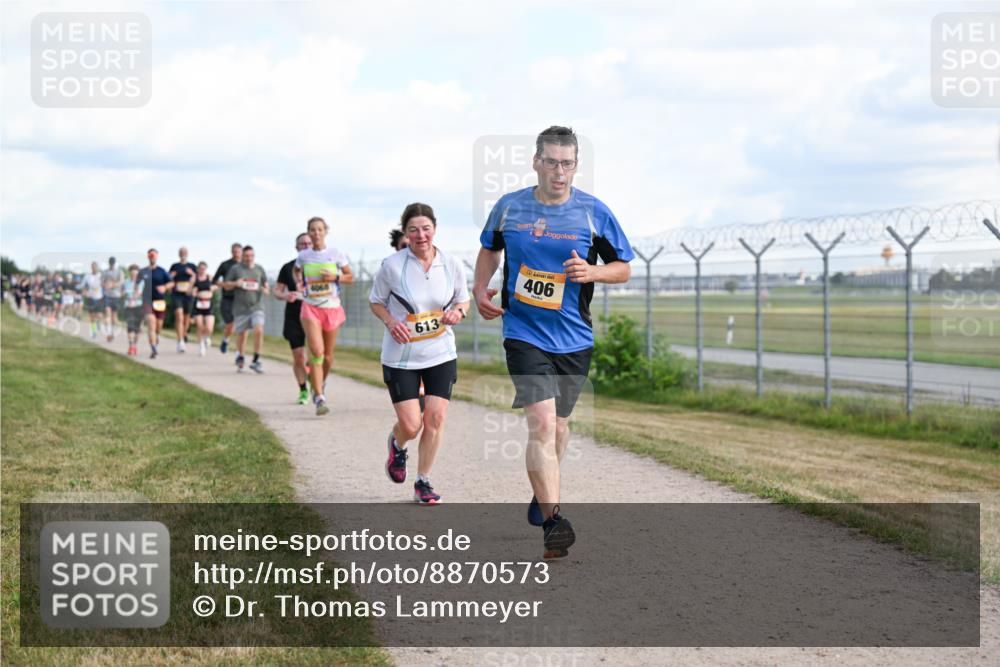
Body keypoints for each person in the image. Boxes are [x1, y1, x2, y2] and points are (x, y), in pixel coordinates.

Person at [473, 126, 634, 558]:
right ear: (535, 161)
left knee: (559, 428)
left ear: (576, 165)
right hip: (523, 332)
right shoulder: (509, 207)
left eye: (567, 163)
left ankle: (543, 493)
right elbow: (490, 248)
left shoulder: (593, 213)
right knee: (542, 424)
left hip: (574, 337)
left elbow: (623, 267)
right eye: (551, 161)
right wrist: (479, 288)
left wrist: (594, 272)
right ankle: (553, 522)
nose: (558, 171)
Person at [371, 203, 469, 505]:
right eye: (413, 229)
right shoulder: (392, 265)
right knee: (412, 425)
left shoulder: (450, 263)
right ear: (405, 233)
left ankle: (423, 481)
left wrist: (457, 314)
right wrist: (390, 322)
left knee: (435, 418)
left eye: (425, 228)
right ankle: (398, 444)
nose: (420, 235)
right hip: (401, 356)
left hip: (440, 351)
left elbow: (463, 301)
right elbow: (376, 301)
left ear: (435, 229)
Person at [293, 217, 353, 415]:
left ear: (325, 231)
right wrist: (299, 284)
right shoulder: (304, 255)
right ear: (309, 233)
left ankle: (320, 382)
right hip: (311, 307)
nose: (316, 233)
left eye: (319, 229)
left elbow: (350, 277)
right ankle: (319, 397)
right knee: (316, 351)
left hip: (332, 308)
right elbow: (296, 271)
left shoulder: (335, 253)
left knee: (327, 357)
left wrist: (335, 277)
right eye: (312, 230)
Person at [274, 232, 313, 405]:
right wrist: (285, 295)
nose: (305, 246)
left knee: (315, 355)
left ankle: (317, 382)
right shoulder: (287, 268)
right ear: (297, 247)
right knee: (298, 356)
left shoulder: (319, 267)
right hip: (294, 316)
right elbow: (276, 291)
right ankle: (303, 389)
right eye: (302, 244)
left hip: (314, 315)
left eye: (308, 243)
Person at [223, 245, 268, 373]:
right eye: (246, 256)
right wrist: (235, 283)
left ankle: (256, 359)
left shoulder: (259, 269)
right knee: (242, 334)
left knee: (259, 329)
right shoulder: (236, 269)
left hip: (257, 306)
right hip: (240, 308)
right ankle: (241, 357)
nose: (249, 258)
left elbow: (265, 286)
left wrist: (265, 289)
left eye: (251, 256)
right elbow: (226, 285)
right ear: (242, 256)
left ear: (254, 256)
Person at [139, 248, 173, 358]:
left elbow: (171, 283)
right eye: (150, 255)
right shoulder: (143, 271)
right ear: (148, 257)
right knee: (151, 324)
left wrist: (165, 287)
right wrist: (137, 291)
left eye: (154, 255)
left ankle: (156, 336)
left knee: (158, 326)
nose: (152, 257)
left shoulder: (162, 271)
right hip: (147, 301)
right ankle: (153, 348)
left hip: (159, 301)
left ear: (157, 257)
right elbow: (137, 284)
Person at [213, 243, 243, 354]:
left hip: (241, 299)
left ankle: (239, 350)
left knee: (241, 326)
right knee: (230, 324)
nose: (236, 254)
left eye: (238, 252)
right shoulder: (225, 265)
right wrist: (225, 284)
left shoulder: (245, 265)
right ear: (231, 252)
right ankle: (225, 340)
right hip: (227, 298)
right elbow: (215, 280)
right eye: (234, 252)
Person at [169, 247, 197, 353]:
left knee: (186, 319)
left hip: (188, 295)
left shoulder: (192, 266)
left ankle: (184, 334)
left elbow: (197, 279)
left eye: (185, 252)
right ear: (179, 254)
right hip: (177, 294)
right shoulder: (174, 266)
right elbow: (168, 278)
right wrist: (171, 276)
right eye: (181, 252)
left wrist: (192, 274)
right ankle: (180, 341)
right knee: (179, 316)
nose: (183, 254)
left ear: (187, 254)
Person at [191, 261, 217, 356]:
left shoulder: (210, 277)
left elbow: (217, 285)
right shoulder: (194, 278)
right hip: (198, 304)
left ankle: (207, 337)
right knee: (200, 326)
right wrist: (192, 291)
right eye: (200, 268)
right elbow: (189, 290)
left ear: (206, 269)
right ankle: (201, 345)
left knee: (209, 327)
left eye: (203, 268)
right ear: (198, 269)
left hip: (208, 304)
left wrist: (212, 288)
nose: (202, 270)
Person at [122, 264, 145, 355]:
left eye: (135, 274)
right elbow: (122, 293)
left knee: (137, 329)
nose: (133, 276)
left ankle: (134, 345)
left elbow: (143, 294)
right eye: (132, 274)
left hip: (139, 307)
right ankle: (131, 346)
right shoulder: (126, 282)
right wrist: (124, 293)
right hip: (128, 307)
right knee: (130, 327)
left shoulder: (142, 283)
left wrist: (137, 295)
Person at [101, 256, 124, 342]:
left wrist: (113, 285)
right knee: (108, 314)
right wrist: (105, 285)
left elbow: (121, 281)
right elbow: (101, 282)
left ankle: (112, 333)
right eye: (111, 263)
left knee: (114, 317)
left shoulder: (119, 272)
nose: (112, 264)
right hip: (107, 295)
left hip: (116, 296)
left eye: (113, 263)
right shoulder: (105, 272)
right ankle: (108, 333)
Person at [81, 262, 104, 339]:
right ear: (91, 268)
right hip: (90, 298)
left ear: (97, 268)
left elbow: (104, 284)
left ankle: (99, 323)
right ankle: (94, 332)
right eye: (92, 267)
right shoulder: (87, 276)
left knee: (99, 315)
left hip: (99, 298)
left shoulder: (101, 275)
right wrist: (84, 292)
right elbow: (83, 286)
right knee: (92, 317)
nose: (94, 268)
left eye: (95, 267)